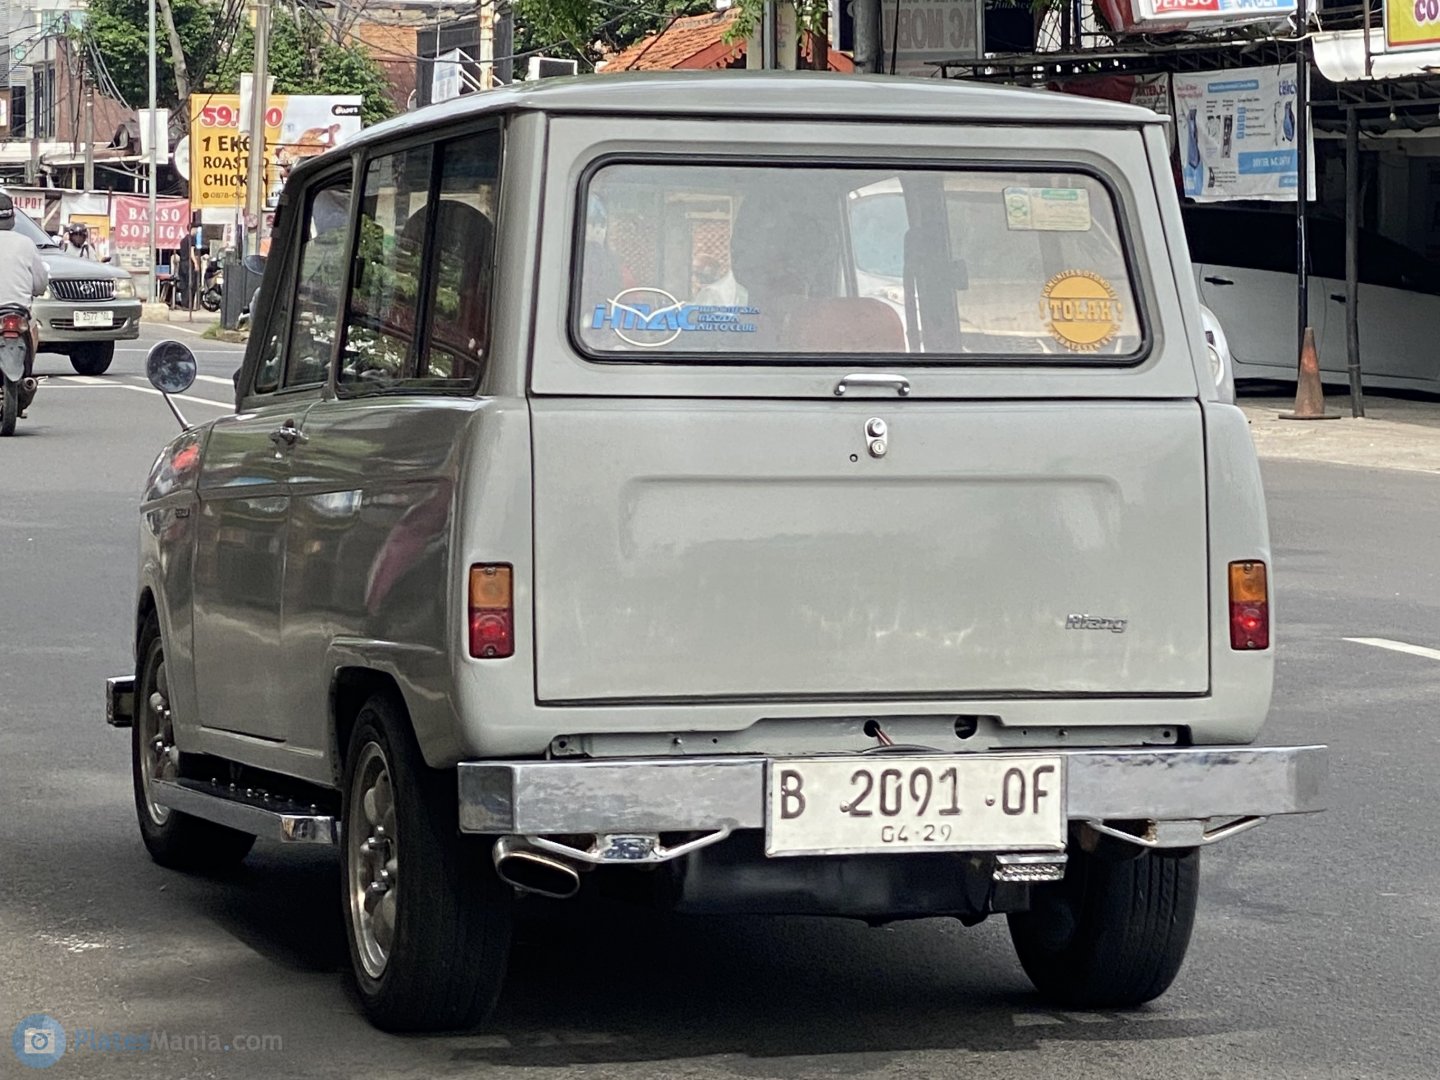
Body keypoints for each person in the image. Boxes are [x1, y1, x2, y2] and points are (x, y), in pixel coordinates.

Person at [0, 192, 50, 403]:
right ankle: (27, 375)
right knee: (33, 325)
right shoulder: (27, 243)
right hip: (19, 311)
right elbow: (40, 283)